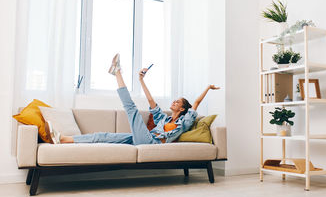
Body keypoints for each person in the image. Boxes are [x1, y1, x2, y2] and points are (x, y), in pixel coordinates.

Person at [46, 53, 220, 145]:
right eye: (174, 100)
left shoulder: (186, 121)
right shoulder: (164, 118)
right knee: (104, 136)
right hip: (143, 137)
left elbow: (196, 103)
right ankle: (62, 139)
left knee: (132, 110)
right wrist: (141, 80)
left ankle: (117, 72)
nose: (173, 103)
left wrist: (208, 88)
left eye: (177, 102)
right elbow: (151, 101)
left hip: (152, 143)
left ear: (182, 109)